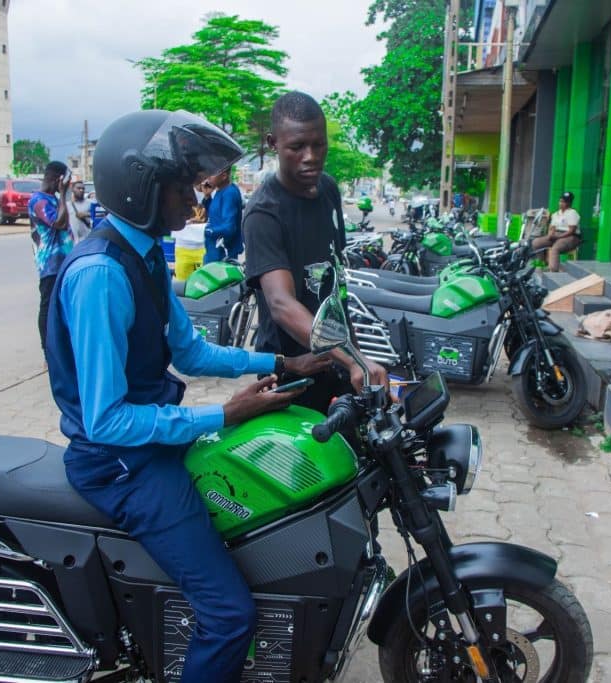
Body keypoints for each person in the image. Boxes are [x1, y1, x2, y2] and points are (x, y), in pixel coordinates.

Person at [44, 109, 330, 682]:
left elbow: (193, 352)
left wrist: (281, 360)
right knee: (228, 614)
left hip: (146, 444)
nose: (194, 201)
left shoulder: (145, 255)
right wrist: (221, 413)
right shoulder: (101, 273)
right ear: (143, 188)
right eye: (183, 186)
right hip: (120, 465)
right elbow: (105, 421)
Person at [243, 91, 389, 414]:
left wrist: (354, 354)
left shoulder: (328, 191)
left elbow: (335, 286)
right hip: (292, 371)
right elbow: (281, 304)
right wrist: (354, 359)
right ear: (273, 143)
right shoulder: (264, 213)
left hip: (335, 361)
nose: (310, 156)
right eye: (297, 147)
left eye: (318, 144)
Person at [28, 161, 73, 350]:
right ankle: (47, 350)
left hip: (63, 262)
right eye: (66, 182)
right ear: (58, 179)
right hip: (50, 265)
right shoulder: (39, 200)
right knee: (48, 307)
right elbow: (59, 223)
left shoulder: (52, 198)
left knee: (63, 307)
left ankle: (61, 348)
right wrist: (62, 194)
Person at [532, 191, 581, 272]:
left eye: (564, 202)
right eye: (560, 201)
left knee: (556, 248)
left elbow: (571, 231)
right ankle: (541, 264)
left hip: (570, 237)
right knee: (536, 243)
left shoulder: (572, 213)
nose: (561, 203)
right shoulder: (556, 214)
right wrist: (550, 234)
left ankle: (553, 269)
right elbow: (552, 228)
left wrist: (558, 236)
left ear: (569, 203)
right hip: (556, 235)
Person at [203, 166, 243, 263]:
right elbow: (215, 215)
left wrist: (208, 231)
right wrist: (207, 197)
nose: (208, 177)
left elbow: (229, 227)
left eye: (212, 174)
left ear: (224, 176)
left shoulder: (230, 193)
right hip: (214, 249)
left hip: (223, 252)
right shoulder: (219, 191)